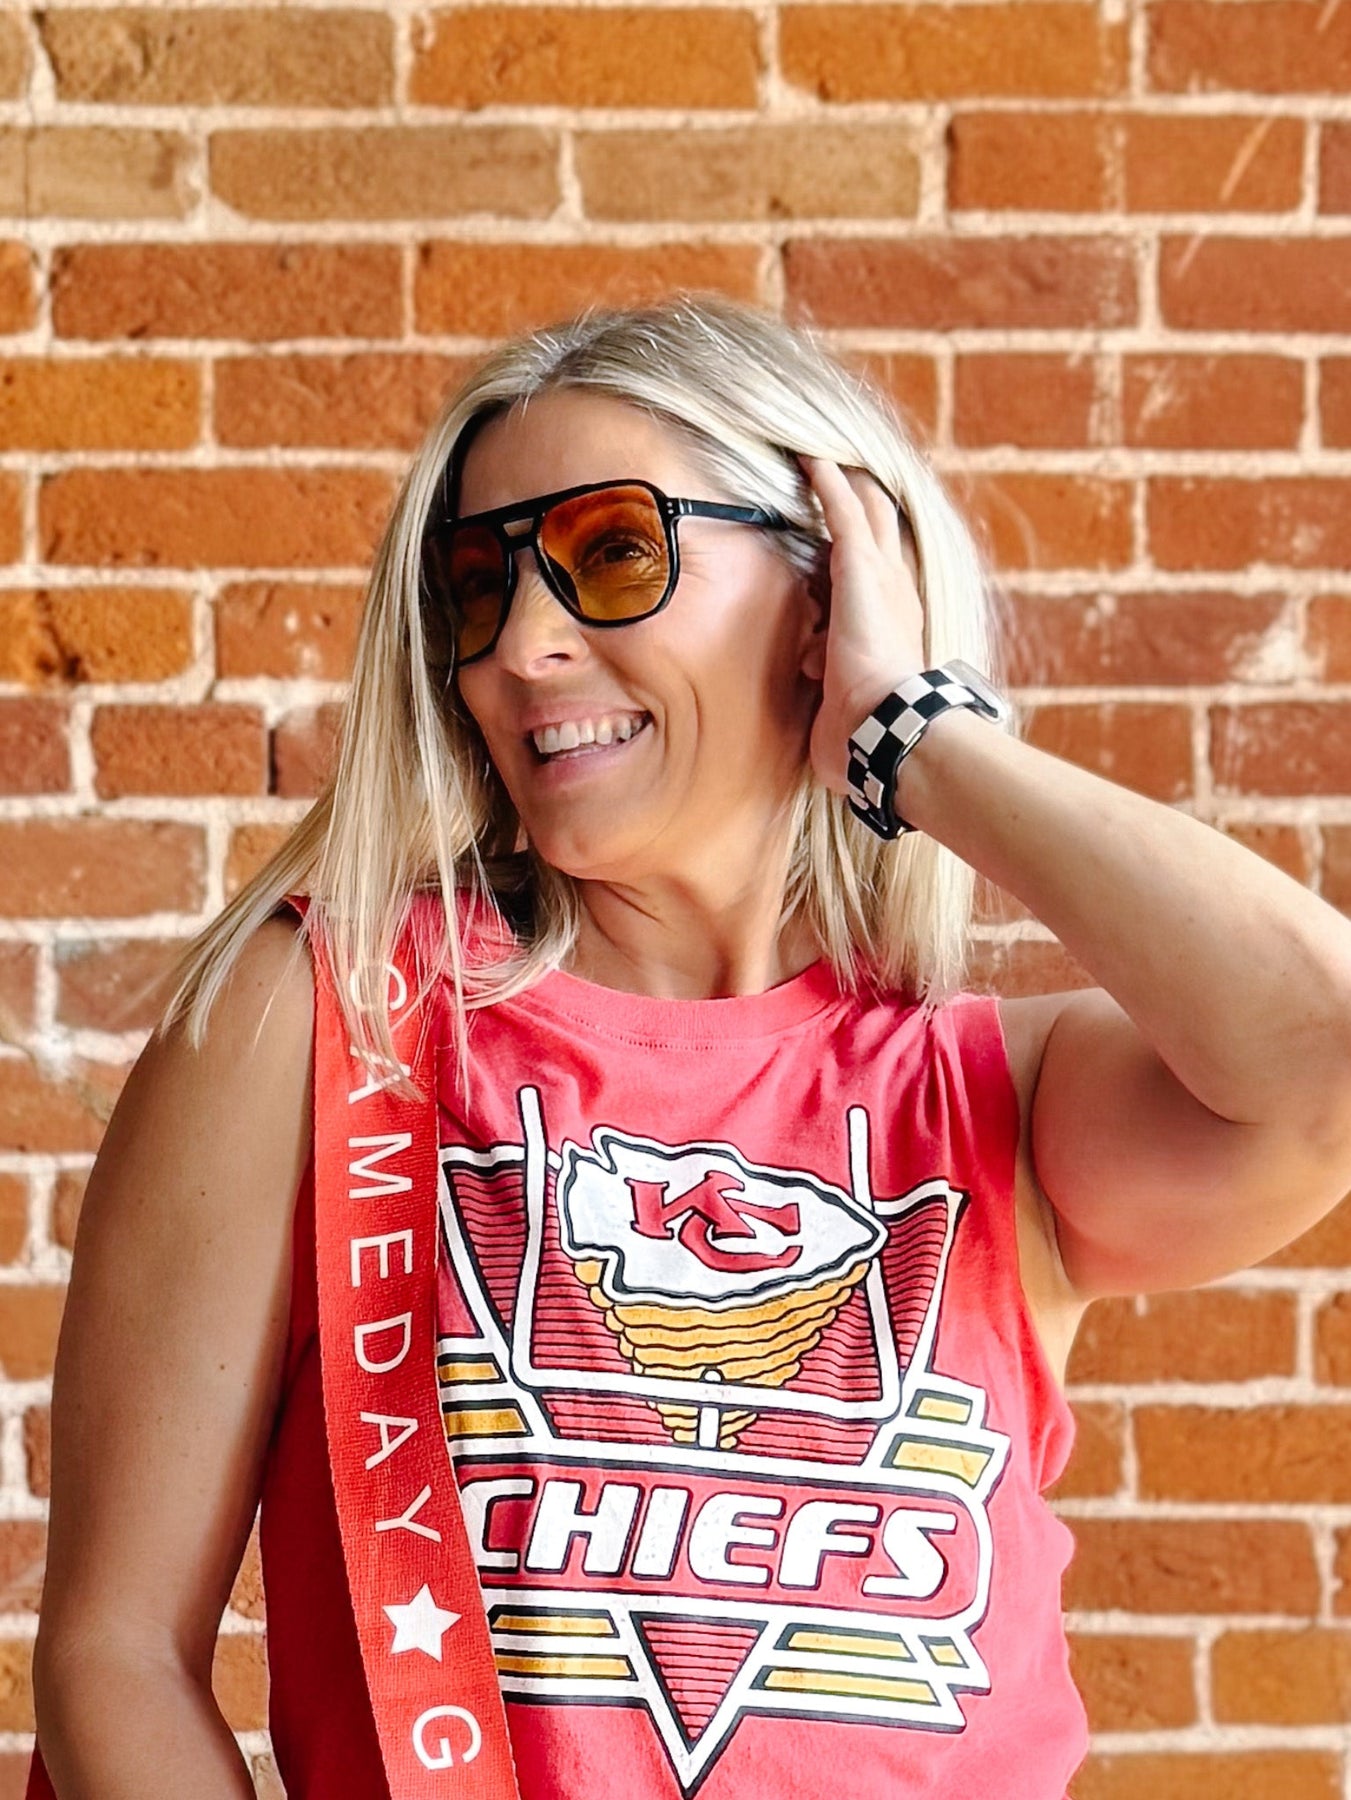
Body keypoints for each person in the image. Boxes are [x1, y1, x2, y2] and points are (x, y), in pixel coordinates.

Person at [24, 291, 1351, 1800]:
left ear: (827, 591)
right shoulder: (334, 1019)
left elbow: (1325, 1056)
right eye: (478, 589)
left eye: (613, 555)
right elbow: (115, 1658)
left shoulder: (991, 1100)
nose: (521, 648)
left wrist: (914, 733)